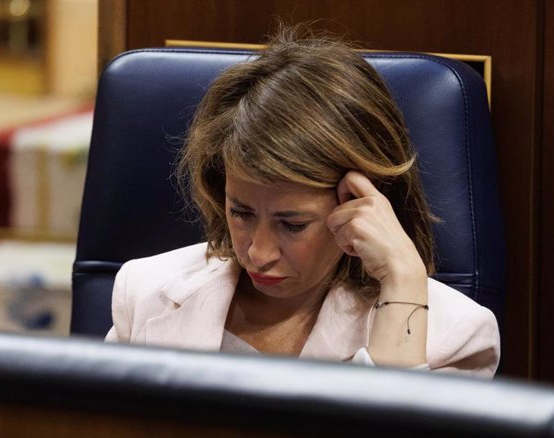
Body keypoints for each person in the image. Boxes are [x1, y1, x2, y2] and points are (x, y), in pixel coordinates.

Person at [105, 26, 500, 377]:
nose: (258, 253)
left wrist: (402, 281)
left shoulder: (455, 336)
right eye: (241, 212)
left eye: (292, 224)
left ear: (360, 204)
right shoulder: (144, 292)